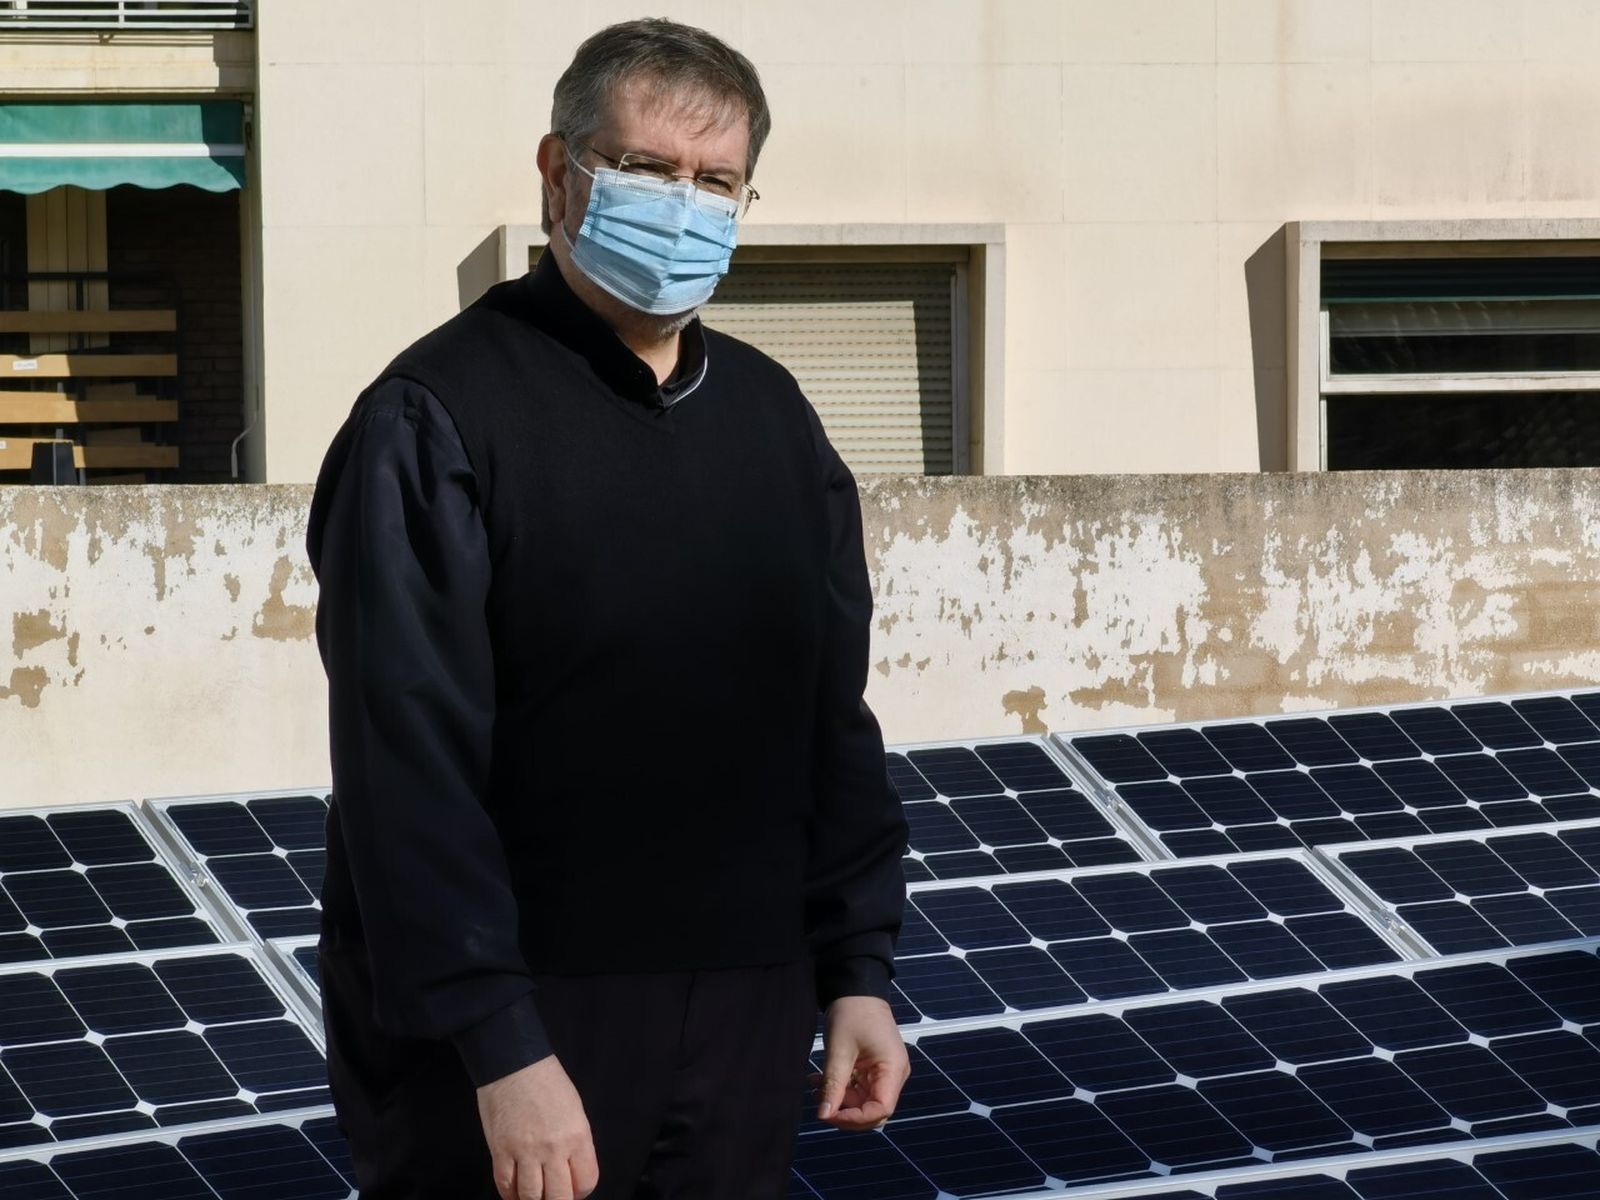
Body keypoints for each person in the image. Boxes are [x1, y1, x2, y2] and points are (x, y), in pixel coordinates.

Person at [304, 18, 910, 1200]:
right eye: (645, 170)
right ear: (557, 171)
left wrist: (856, 970)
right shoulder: (434, 419)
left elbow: (829, 720)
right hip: (521, 1043)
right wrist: (500, 1046)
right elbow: (404, 767)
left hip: (744, 1016)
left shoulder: (776, 422)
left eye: (715, 181)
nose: (683, 205)